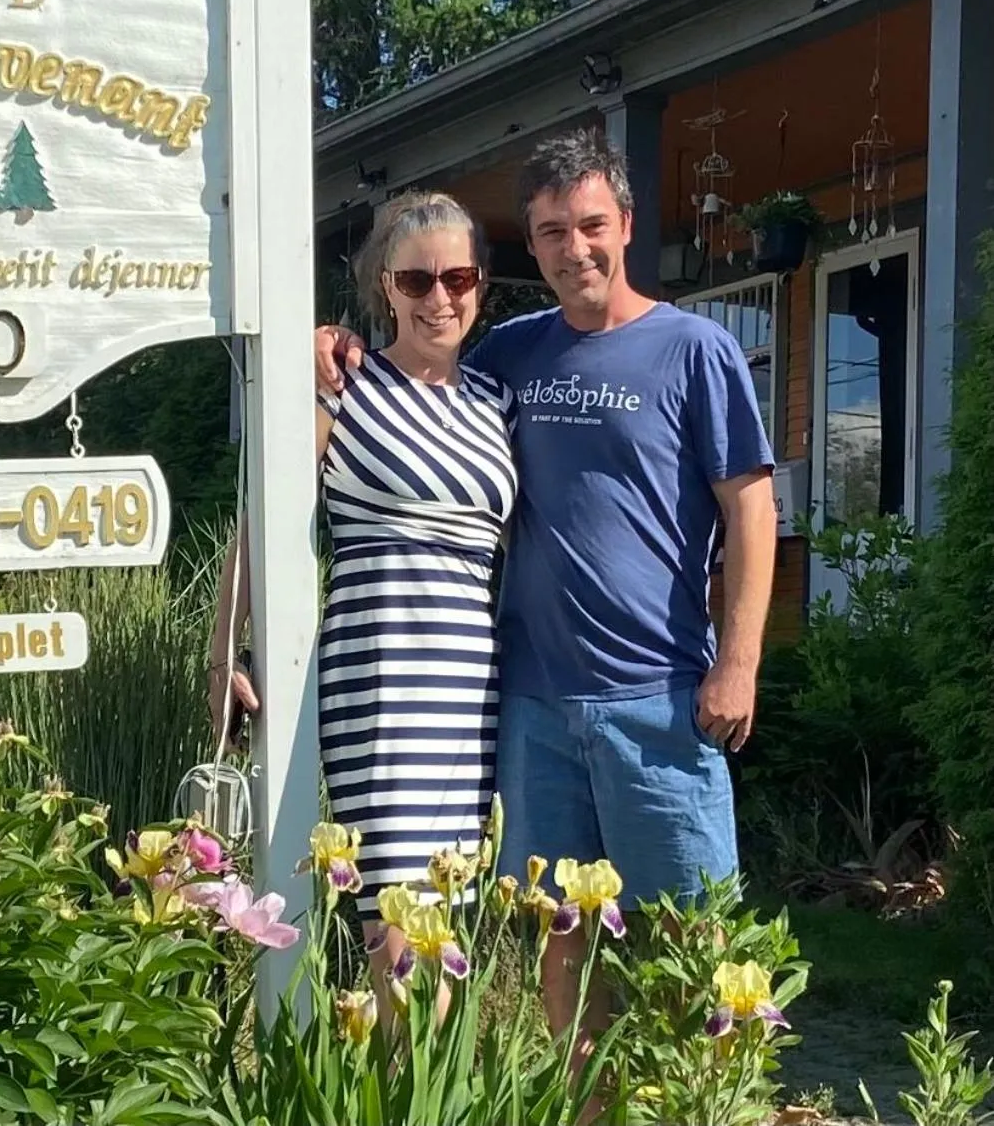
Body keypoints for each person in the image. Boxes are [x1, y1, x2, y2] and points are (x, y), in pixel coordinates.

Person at [315, 131, 777, 1036]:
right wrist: (327, 341)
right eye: (552, 231)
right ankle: (584, 1104)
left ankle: (686, 1103)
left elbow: (750, 512)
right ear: (530, 248)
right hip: (529, 707)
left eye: (591, 224)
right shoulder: (509, 358)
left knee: (684, 934)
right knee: (559, 940)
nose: (575, 248)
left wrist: (739, 661)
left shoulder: (694, 350)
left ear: (626, 225)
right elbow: (418, 383)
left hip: (661, 697)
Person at [209, 190, 515, 1001]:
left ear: (479, 283)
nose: (438, 298)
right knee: (398, 938)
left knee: (445, 930)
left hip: (470, 694)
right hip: (377, 681)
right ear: (385, 286)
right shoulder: (342, 384)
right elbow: (263, 522)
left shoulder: (495, 404)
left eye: (456, 277)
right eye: (415, 281)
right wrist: (222, 652)